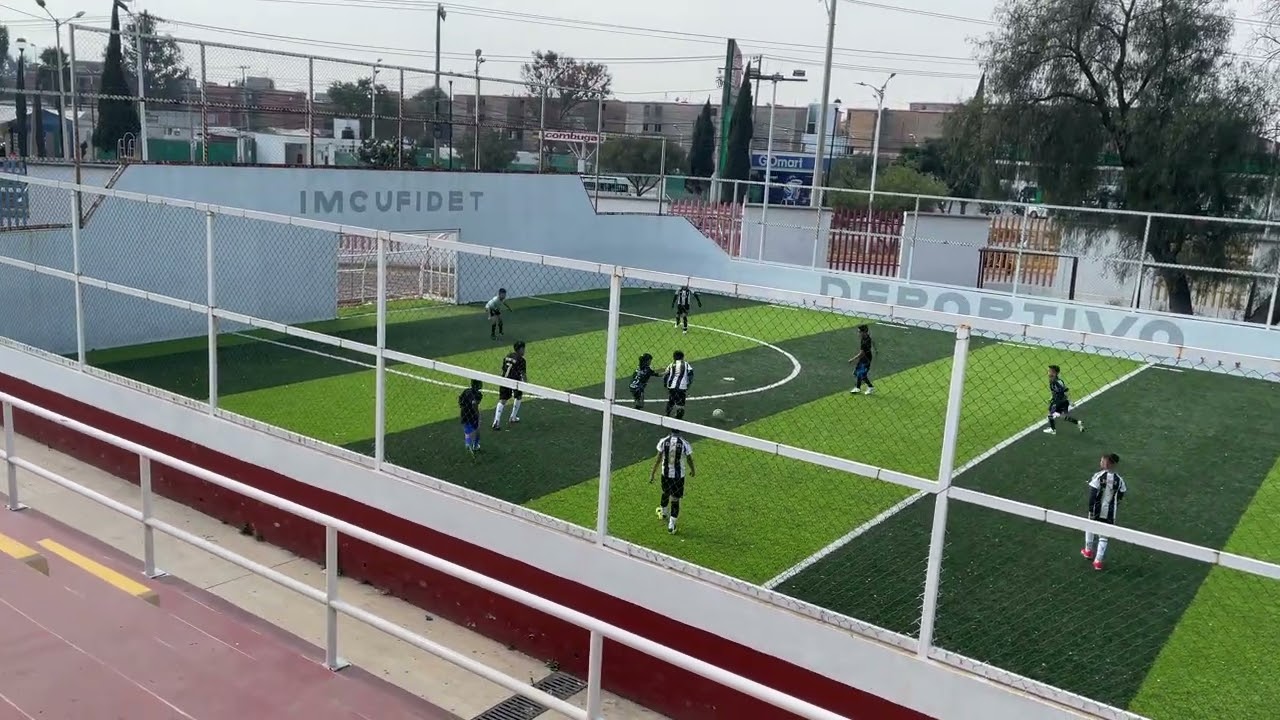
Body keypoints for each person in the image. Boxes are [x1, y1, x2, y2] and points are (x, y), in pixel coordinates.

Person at [1081, 453, 1127, 571]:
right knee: (1104, 536)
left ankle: (1088, 550)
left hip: (1096, 509)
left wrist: (1091, 509)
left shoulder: (1099, 476)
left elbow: (1093, 494)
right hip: (1110, 512)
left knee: (1090, 527)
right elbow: (1121, 494)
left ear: (1110, 463)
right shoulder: (1119, 480)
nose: (1101, 463)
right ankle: (1098, 561)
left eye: (1103, 461)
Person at [650, 428, 696, 534]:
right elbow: (689, 458)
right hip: (678, 476)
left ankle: (664, 512)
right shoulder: (684, 443)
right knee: (675, 499)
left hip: (665, 474)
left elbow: (658, 458)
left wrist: (652, 473)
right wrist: (693, 470)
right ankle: (671, 524)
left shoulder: (664, 441)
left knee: (665, 492)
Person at [493, 340, 527, 431]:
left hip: (504, 379)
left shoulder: (508, 356)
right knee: (519, 396)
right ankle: (513, 416)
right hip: (515, 381)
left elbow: (503, 367)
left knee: (502, 400)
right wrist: (526, 383)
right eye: (523, 349)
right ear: (520, 349)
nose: (524, 351)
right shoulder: (521, 360)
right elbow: (523, 373)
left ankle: (496, 421)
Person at [1044, 365, 1084, 434]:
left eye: (1049, 371)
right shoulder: (1052, 380)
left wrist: (1070, 401)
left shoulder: (1057, 382)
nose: (1048, 372)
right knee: (1058, 415)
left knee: (1051, 414)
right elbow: (1055, 391)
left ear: (1054, 373)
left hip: (1059, 401)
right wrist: (1051, 397)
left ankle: (1053, 430)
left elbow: (1066, 391)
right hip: (1059, 400)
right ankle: (1077, 422)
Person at [662, 350, 694, 419]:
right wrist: (689, 384)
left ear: (674, 357)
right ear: (683, 357)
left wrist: (665, 385)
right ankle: (678, 419)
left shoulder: (670, 365)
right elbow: (691, 373)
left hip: (672, 387)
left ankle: (667, 414)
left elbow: (665, 375)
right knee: (681, 404)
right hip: (681, 388)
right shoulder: (686, 364)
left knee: (671, 401)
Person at [457, 379, 484, 456]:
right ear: (477, 385)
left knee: (467, 430)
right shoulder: (478, 395)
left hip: (464, 412)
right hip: (472, 414)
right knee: (477, 430)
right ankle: (474, 445)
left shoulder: (466, 391)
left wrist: (462, 406)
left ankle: (468, 443)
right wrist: (477, 414)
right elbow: (474, 404)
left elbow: (460, 400)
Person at [848, 324, 876, 395]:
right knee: (857, 373)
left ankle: (870, 387)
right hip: (864, 358)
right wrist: (876, 349)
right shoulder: (865, 338)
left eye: (859, 332)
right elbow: (872, 341)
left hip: (866, 360)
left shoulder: (865, 342)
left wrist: (852, 359)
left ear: (864, 332)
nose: (858, 333)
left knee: (862, 374)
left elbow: (861, 353)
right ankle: (857, 388)